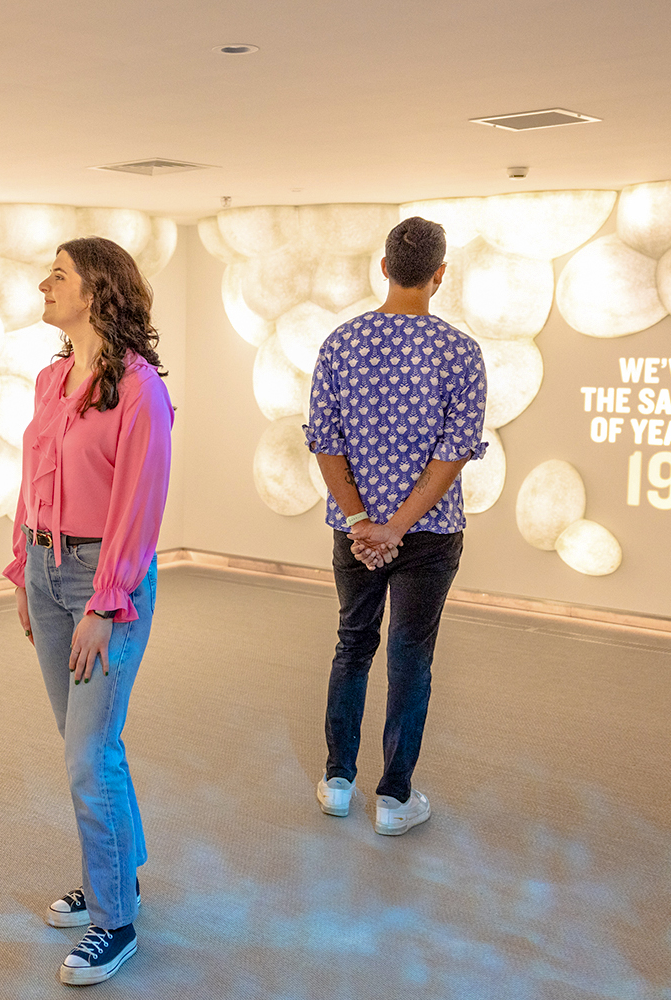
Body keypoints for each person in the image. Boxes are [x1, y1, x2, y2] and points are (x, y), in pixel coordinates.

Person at [3, 236, 173, 986]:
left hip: (104, 583)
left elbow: (141, 502)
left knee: (87, 756)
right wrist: (23, 572)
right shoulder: (50, 378)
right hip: (46, 570)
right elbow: (33, 478)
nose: (45, 284)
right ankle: (118, 877)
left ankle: (116, 922)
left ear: (97, 290)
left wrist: (105, 603)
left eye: (60, 275)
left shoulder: (139, 389)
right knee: (88, 743)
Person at [303, 216, 487, 837]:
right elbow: (455, 451)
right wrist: (399, 527)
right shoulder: (460, 351)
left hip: (354, 533)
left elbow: (323, 442)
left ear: (383, 268)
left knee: (353, 643)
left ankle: (336, 782)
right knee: (411, 656)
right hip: (430, 536)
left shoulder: (340, 343)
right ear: (439, 275)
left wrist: (364, 522)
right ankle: (393, 798)